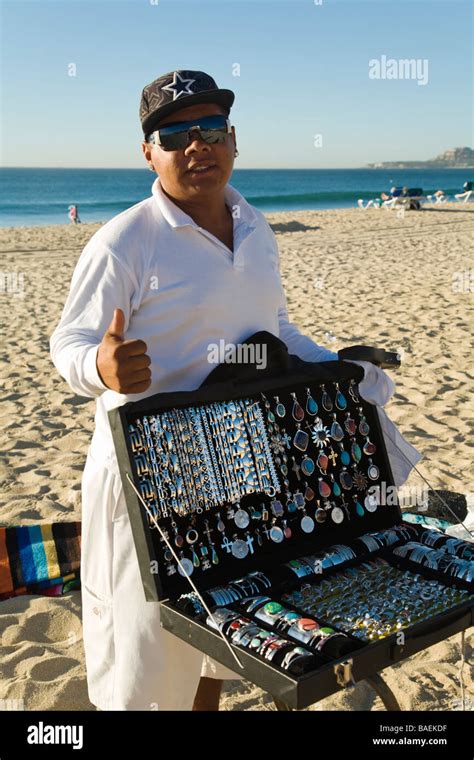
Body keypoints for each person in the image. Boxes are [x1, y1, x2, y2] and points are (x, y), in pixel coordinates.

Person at [49, 69, 421, 711]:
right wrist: (102, 370)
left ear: (234, 140)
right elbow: (69, 344)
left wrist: (334, 363)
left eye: (212, 128)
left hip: (232, 461)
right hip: (147, 471)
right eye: (174, 133)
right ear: (149, 152)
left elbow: (267, 331)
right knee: (147, 660)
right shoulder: (124, 242)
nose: (198, 145)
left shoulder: (254, 227)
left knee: (211, 646)